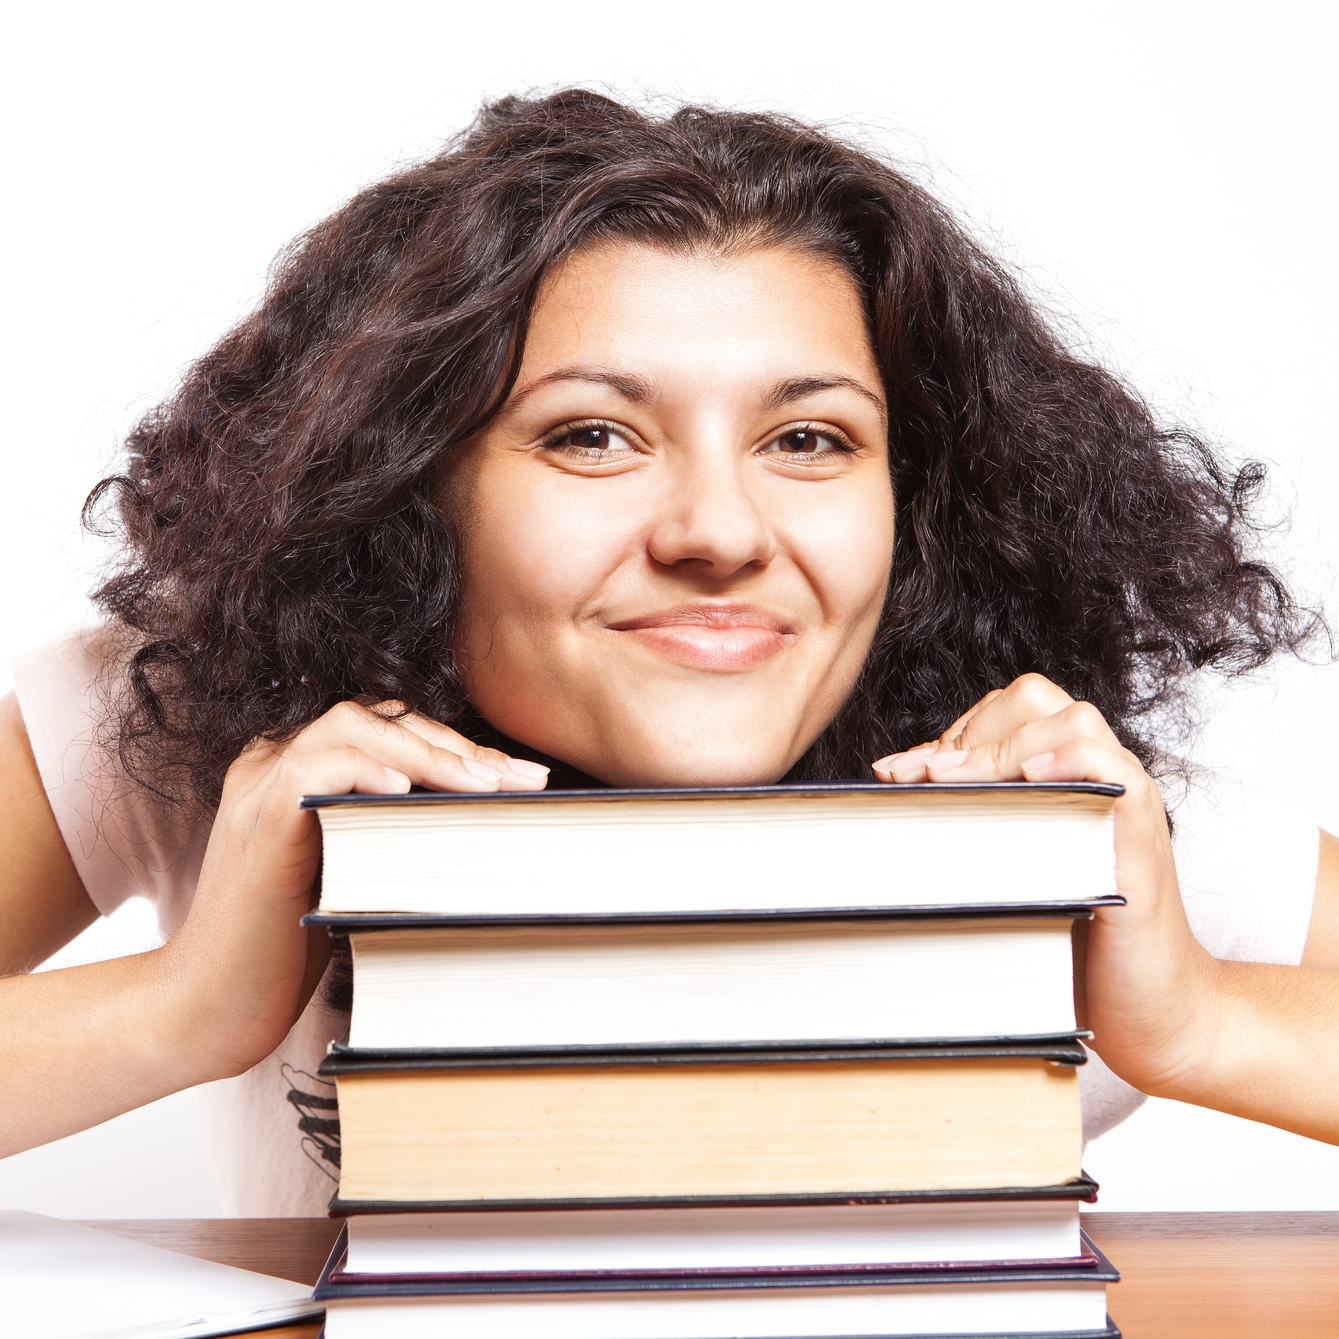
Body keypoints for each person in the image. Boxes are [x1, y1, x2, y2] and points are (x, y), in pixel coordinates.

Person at [2, 90, 1335, 1214]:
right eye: (592, 434)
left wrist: (1202, 1017)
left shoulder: (1069, 831)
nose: (717, 532)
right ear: (412, 492)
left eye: (808, 439)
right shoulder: (206, 738)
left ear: (915, 513)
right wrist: (182, 1008)